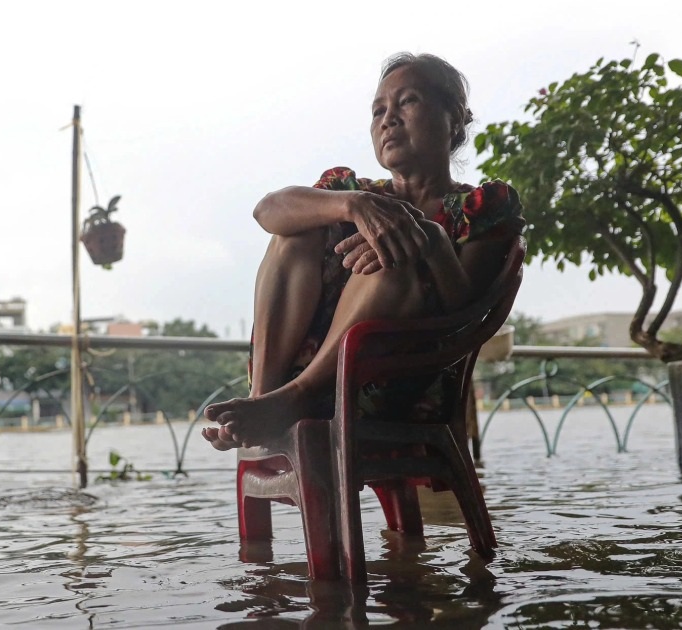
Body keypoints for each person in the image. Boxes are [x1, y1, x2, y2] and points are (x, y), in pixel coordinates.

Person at [202, 53, 525, 451]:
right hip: (300, 376)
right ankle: (265, 402)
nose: (388, 118)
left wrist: (433, 242)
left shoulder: (483, 207)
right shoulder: (357, 194)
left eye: (407, 101)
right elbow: (266, 210)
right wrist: (352, 206)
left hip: (400, 382)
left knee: (391, 256)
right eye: (378, 110)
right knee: (293, 233)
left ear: (454, 118)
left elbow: (467, 315)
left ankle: (289, 400)